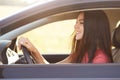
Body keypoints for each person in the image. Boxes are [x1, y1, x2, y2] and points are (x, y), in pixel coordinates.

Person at [18, 10, 113, 64]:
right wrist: (32, 49)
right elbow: (51, 69)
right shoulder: (81, 53)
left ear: (94, 27)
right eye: (76, 22)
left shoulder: (100, 60)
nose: (75, 26)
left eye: (81, 23)